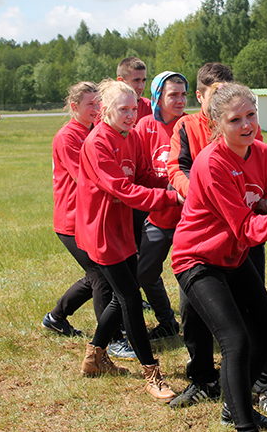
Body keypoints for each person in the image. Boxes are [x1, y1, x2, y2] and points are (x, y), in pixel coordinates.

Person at [167, 63, 267, 419]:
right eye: (235, 120)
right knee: (235, 340)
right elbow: (247, 229)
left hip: (233, 257)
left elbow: (261, 200)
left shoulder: (264, 154)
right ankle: (242, 422)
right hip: (197, 259)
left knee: (266, 336)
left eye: (251, 115)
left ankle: (232, 405)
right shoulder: (211, 162)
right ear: (217, 125)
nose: (246, 125)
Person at [75, 79, 183, 402]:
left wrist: (174, 182)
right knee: (131, 298)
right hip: (101, 233)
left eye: (134, 108)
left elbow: (144, 176)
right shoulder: (97, 143)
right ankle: (152, 374)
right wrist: (171, 198)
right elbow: (123, 189)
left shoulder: (131, 136)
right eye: (123, 109)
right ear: (105, 109)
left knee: (123, 294)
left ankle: (94, 356)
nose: (130, 115)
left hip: (122, 229)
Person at [43, 81, 113, 338]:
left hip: (90, 216)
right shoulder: (68, 136)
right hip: (72, 218)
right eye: (90, 104)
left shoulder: (95, 129)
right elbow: (83, 176)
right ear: (74, 106)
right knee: (101, 275)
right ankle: (108, 338)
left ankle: (56, 317)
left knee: (97, 274)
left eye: (98, 103)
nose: (96, 108)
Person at [133, 71, 188, 341]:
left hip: (188, 218)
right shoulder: (145, 126)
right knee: (145, 273)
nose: (180, 100)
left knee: (190, 274)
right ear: (158, 97)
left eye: (184, 94)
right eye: (173, 95)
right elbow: (138, 169)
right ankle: (167, 323)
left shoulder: (189, 125)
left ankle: (196, 327)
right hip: (158, 215)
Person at [116, 56, 152, 124]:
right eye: (136, 81)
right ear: (121, 81)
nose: (141, 87)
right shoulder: (105, 108)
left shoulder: (149, 107)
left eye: (143, 81)